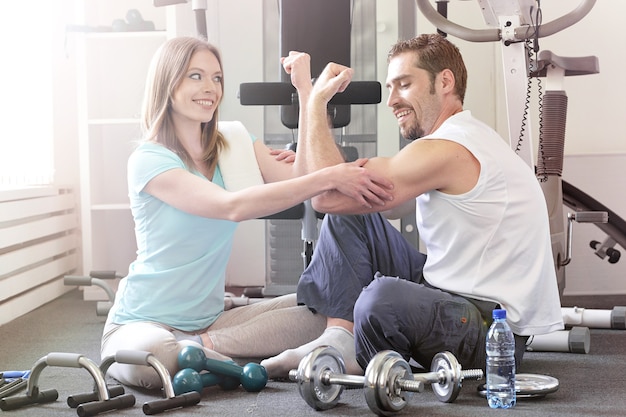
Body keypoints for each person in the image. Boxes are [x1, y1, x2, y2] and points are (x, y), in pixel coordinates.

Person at [260, 33, 564, 378]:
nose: (391, 100)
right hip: (449, 293)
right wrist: (311, 150)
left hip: (488, 332)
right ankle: (340, 336)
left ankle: (356, 347)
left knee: (381, 297)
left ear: (444, 81)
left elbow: (327, 194)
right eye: (391, 87)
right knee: (348, 219)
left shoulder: (447, 149)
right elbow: (355, 200)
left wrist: (315, 101)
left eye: (404, 84)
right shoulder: (463, 137)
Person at [100, 36, 394, 389]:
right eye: (195, 76)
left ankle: (206, 353)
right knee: (156, 356)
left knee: (329, 310)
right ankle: (230, 358)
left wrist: (307, 92)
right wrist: (332, 175)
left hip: (209, 325)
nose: (209, 88)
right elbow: (232, 207)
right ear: (167, 82)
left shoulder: (233, 142)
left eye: (217, 78)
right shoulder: (150, 159)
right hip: (143, 324)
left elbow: (300, 177)